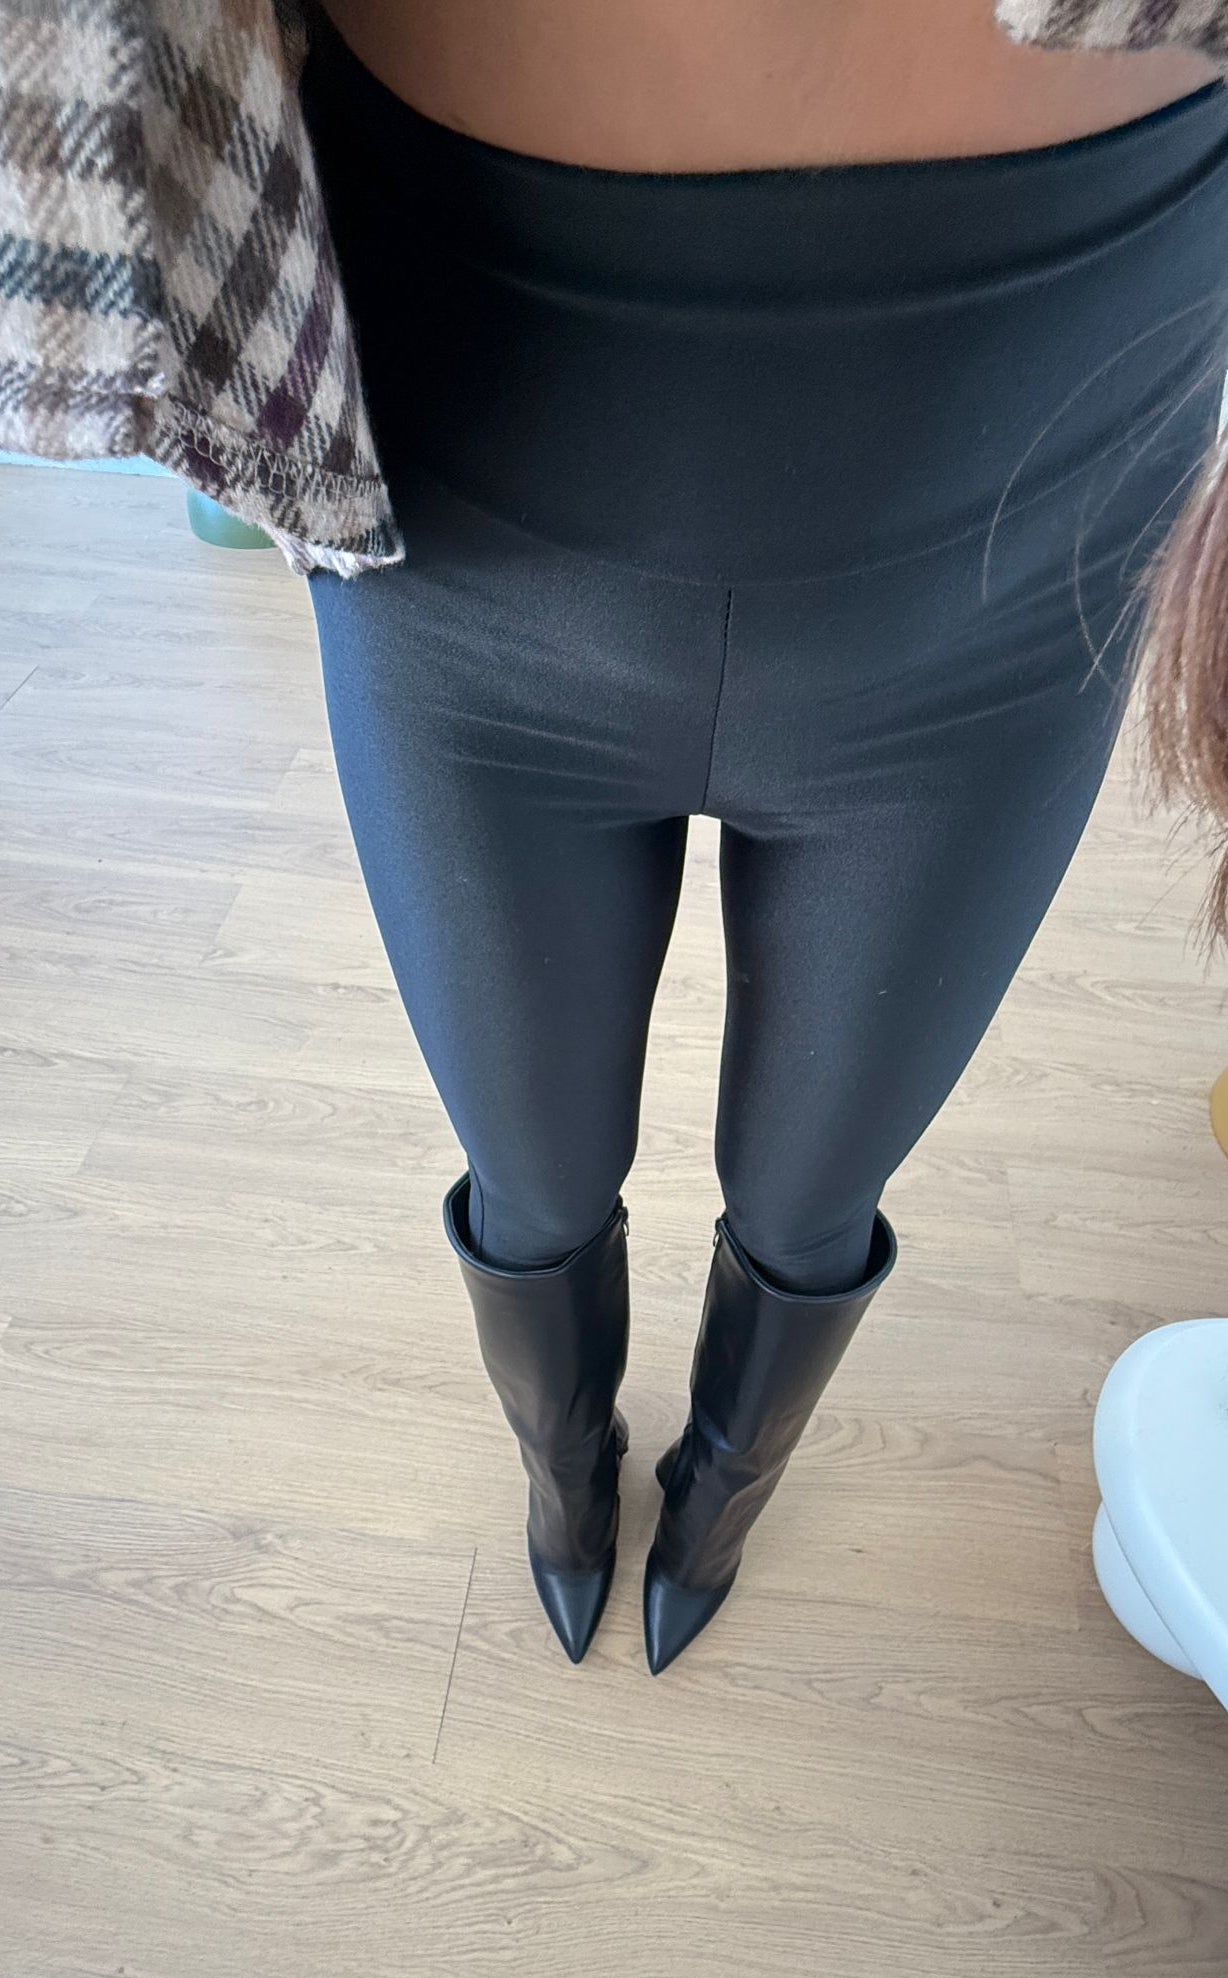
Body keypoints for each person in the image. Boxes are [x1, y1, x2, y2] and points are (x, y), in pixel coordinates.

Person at [294, 1, 1228, 1674]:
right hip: (458, 574)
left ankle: (718, 1499)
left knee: (811, 1211)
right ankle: (564, 1477)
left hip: (1012, 603)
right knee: (533, 1190)